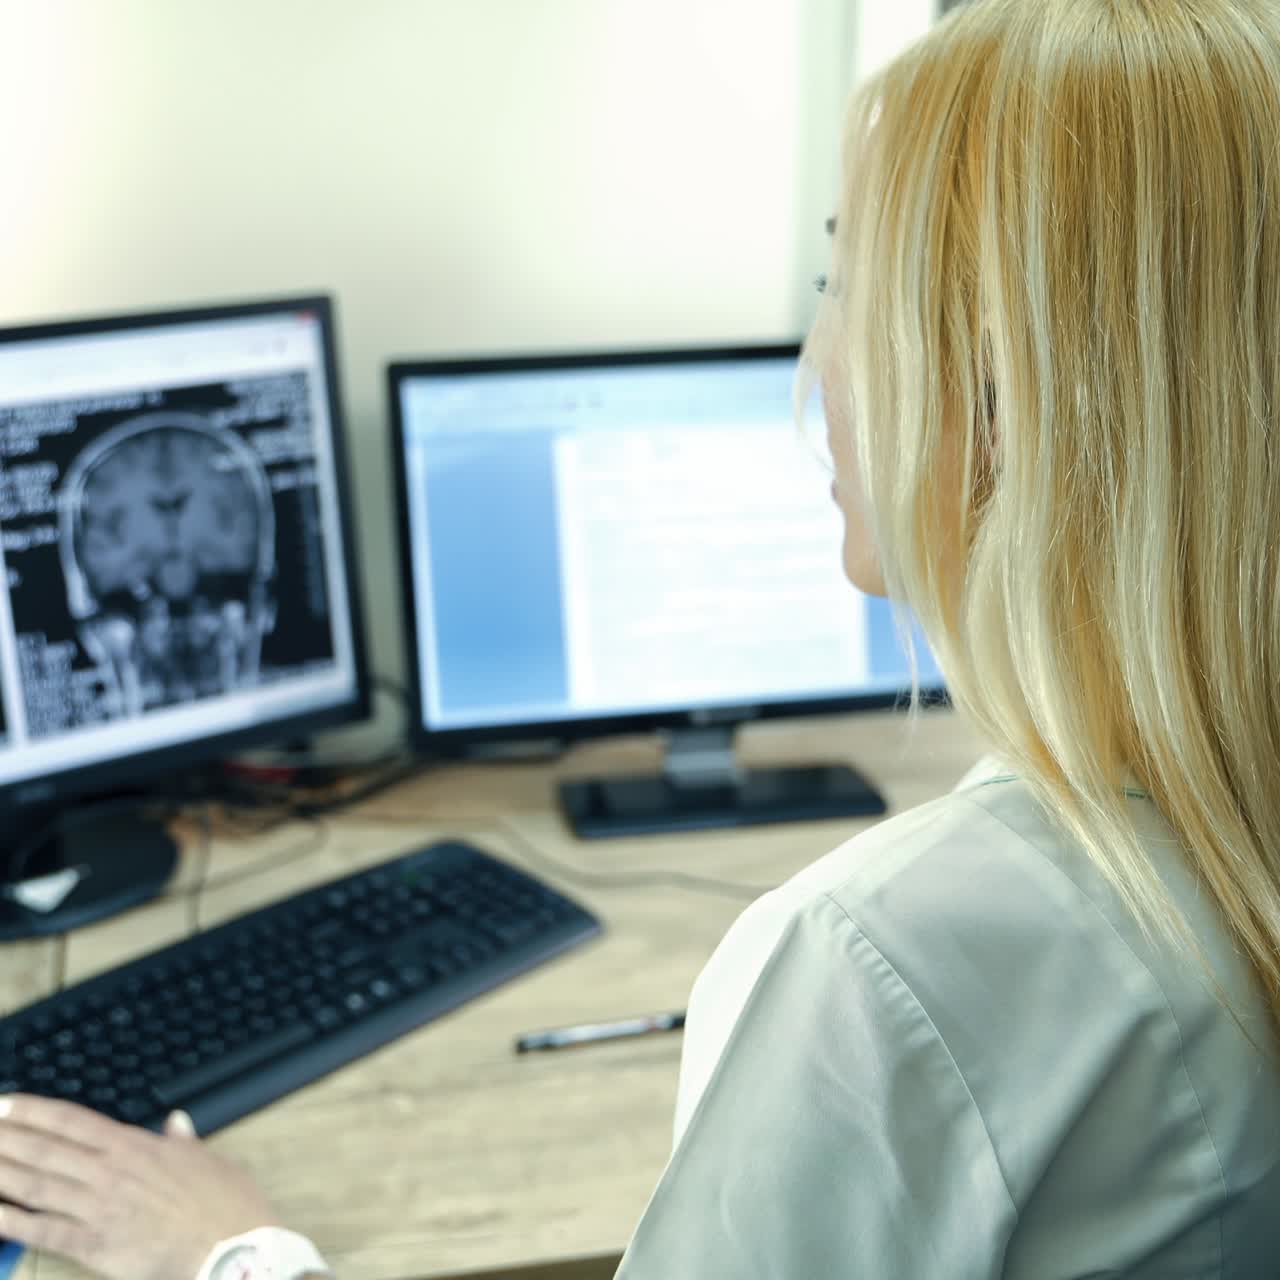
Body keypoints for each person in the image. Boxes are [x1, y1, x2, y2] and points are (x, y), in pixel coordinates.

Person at [4, 0, 1280, 1274]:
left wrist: (226, 1252)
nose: (816, 359)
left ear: (996, 395)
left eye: (844, 283)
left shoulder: (882, 961)